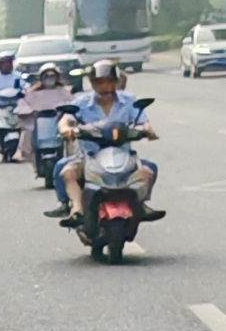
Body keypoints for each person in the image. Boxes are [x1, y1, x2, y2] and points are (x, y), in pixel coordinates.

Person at [50, 61, 158, 222]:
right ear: (93, 84)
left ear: (117, 82)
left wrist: (148, 130)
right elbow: (65, 120)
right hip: (89, 157)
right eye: (100, 82)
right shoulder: (81, 102)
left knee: (149, 171)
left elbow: (143, 120)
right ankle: (77, 209)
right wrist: (67, 129)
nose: (105, 86)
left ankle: (140, 204)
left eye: (109, 81)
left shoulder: (128, 100)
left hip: (123, 156)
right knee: (68, 172)